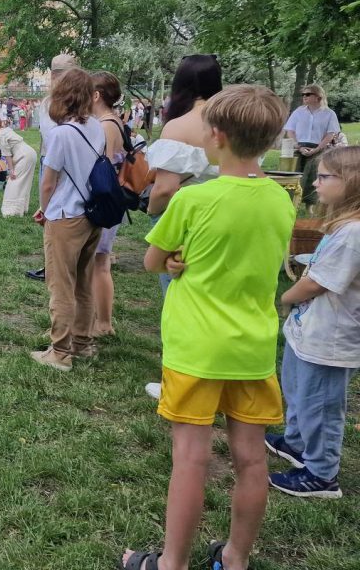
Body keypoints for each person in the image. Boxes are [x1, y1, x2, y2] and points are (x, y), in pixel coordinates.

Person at [122, 85, 294, 570]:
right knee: (252, 459)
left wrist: (174, 262)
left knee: (191, 458)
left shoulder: (194, 200)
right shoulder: (281, 201)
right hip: (254, 349)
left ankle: (171, 563)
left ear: (215, 136)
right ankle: (236, 558)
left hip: (196, 347)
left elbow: (154, 261)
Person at [267, 146, 360, 499]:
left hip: (332, 339)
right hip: (311, 331)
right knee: (299, 391)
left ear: (350, 182)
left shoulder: (353, 233)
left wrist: (285, 297)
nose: (315, 183)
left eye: (324, 177)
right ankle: (296, 443)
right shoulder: (342, 227)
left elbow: (318, 281)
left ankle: (321, 475)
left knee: (321, 405)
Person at [142, 54, 223, 399]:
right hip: (226, 217)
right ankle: (218, 377)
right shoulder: (231, 121)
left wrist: (152, 212)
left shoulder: (179, 125)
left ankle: (178, 381)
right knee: (218, 301)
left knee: (178, 302)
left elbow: (165, 187)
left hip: (186, 222)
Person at [30, 68, 104, 371]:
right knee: (84, 281)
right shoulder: (97, 127)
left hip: (65, 215)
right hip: (91, 213)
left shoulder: (60, 134)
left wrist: (44, 210)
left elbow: (49, 182)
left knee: (60, 284)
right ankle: (82, 342)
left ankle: (60, 351)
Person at [27, 52, 80, 282]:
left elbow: (52, 140)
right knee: (60, 214)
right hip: (65, 162)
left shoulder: (55, 102)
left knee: (55, 214)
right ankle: (55, 263)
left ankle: (58, 265)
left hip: (57, 163)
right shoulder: (57, 102)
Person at [89, 71, 126, 338]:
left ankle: (101, 322)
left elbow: (101, 165)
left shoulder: (105, 125)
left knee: (98, 262)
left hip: (103, 199)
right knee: (100, 262)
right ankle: (103, 321)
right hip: (113, 199)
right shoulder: (115, 121)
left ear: (97, 95)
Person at [284, 84, 340, 205]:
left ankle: (311, 206)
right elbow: (290, 131)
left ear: (318, 96)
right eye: (303, 94)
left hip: (319, 149)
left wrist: (318, 149)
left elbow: (330, 134)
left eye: (308, 94)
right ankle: (290, 203)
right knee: (294, 176)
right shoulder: (298, 112)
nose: (304, 96)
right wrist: (298, 146)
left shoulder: (329, 114)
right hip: (299, 148)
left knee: (314, 177)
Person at [0, 112, 36, 217]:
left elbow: (7, 154)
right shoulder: (4, 130)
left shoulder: (0, 135)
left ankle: (10, 211)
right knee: (23, 183)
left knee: (13, 183)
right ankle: (21, 209)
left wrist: (11, 171)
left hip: (24, 156)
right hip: (29, 153)